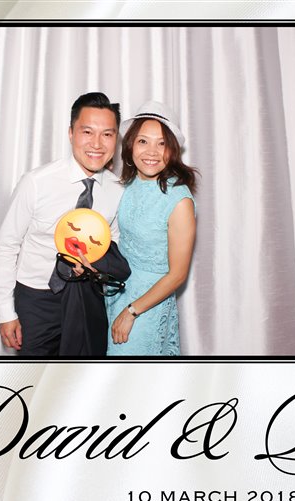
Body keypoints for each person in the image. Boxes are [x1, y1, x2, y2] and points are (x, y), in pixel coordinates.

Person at [0, 92, 128, 356]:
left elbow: (113, 244)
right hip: (37, 299)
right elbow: (6, 245)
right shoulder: (36, 182)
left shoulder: (117, 190)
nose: (97, 143)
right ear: (70, 133)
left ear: (116, 139)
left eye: (107, 134)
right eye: (87, 132)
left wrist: (97, 270)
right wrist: (5, 312)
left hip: (88, 298)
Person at [105, 101, 198, 355]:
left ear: (172, 150)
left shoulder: (179, 201)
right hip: (115, 293)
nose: (152, 152)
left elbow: (177, 275)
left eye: (162, 143)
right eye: (143, 141)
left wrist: (132, 311)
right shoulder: (129, 183)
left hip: (146, 305)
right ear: (131, 145)